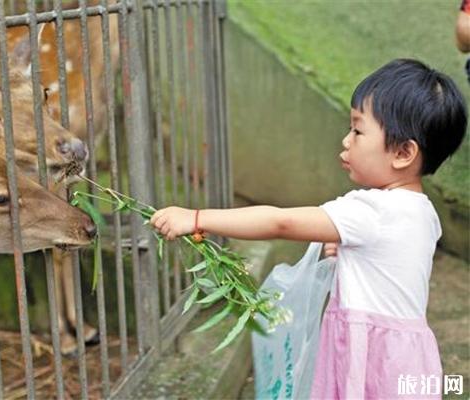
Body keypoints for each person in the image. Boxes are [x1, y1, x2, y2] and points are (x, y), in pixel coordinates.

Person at [150, 59, 467, 398]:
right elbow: (389, 264)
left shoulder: (370, 210)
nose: (346, 141)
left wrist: (197, 218)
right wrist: (347, 254)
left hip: (371, 355)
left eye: (358, 131)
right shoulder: (423, 212)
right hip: (409, 357)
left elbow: (280, 221)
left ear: (403, 153)